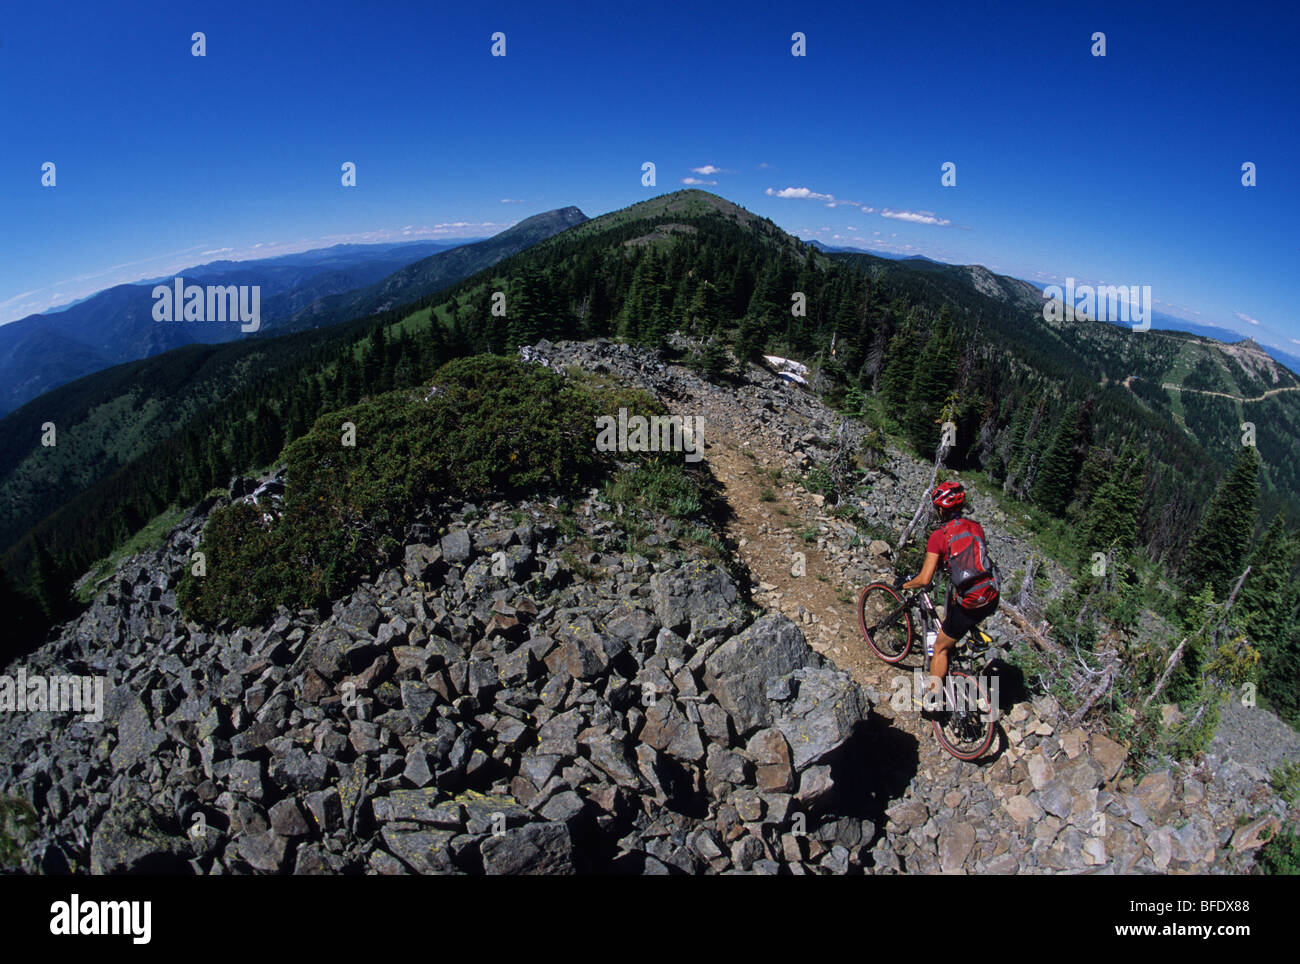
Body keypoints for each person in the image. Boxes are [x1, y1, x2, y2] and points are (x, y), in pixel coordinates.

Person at [899, 481, 999, 712]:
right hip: (991, 595)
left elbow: (925, 579)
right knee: (958, 619)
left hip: (971, 602)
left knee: (941, 647)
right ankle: (973, 635)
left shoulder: (939, 536)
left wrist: (905, 585)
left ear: (940, 510)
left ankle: (931, 700)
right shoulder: (976, 527)